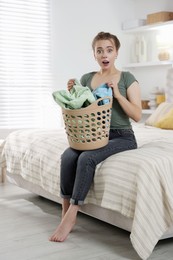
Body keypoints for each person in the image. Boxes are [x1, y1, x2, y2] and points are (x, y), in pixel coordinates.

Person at [49, 31, 142, 242]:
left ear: (116, 52)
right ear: (94, 54)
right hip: (93, 134)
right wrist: (74, 91)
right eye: (99, 50)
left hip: (123, 136)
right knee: (68, 156)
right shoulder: (88, 78)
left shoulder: (127, 78)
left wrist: (117, 95)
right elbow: (82, 107)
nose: (104, 54)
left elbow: (137, 115)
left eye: (109, 50)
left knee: (86, 158)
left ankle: (73, 212)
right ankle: (64, 212)